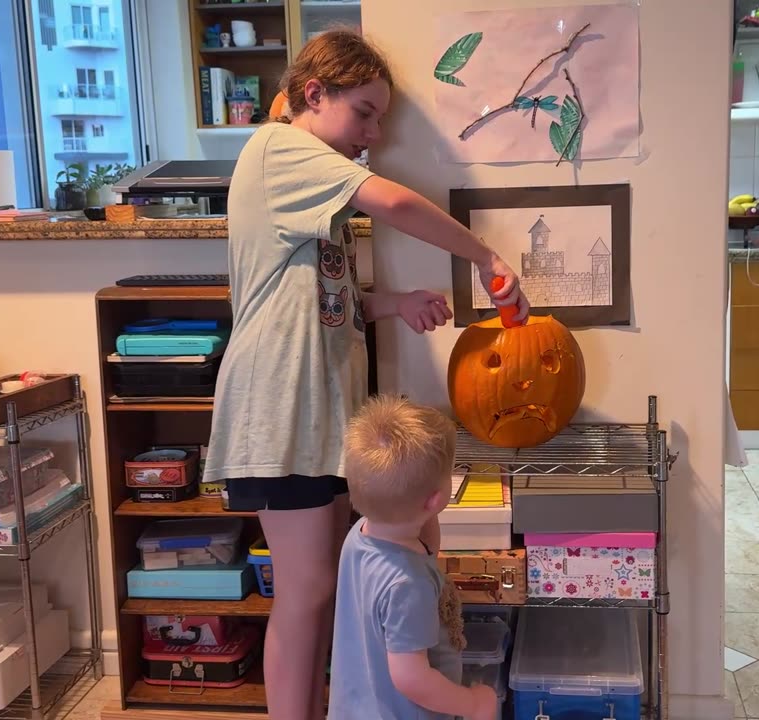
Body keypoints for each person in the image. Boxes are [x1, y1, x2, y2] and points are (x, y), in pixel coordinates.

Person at [202, 30, 529, 720]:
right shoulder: (280, 148)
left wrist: (393, 305)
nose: (373, 135)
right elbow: (397, 203)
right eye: (365, 113)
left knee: (321, 587)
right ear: (313, 95)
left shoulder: (308, 182)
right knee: (308, 589)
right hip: (279, 408)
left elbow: (324, 303)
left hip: (314, 413)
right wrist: (484, 256)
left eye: (381, 120)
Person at [328, 395, 499, 720]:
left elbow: (427, 549)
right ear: (435, 499)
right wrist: (472, 704)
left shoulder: (361, 535)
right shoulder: (409, 584)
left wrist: (427, 508)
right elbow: (412, 678)